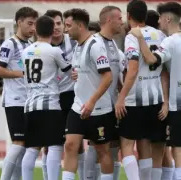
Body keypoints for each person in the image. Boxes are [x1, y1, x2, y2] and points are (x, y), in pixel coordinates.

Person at [130, 2, 181, 180]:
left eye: (161, 18)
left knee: (178, 149)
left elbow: (150, 60)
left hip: (180, 103)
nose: (159, 22)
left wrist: (139, 37)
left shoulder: (169, 42)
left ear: (168, 18)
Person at [114, 1, 168, 180]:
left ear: (128, 15)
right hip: (156, 99)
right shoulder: (160, 34)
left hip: (135, 100)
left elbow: (133, 69)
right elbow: (164, 70)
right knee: (146, 146)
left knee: (127, 146)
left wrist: (121, 97)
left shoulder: (132, 36)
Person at [63, 8, 114, 180]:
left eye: (68, 25)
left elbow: (108, 77)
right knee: (70, 145)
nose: (65, 29)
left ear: (80, 25)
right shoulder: (77, 47)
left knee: (103, 151)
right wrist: (78, 75)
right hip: (78, 107)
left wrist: (92, 102)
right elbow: (85, 72)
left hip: (98, 109)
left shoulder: (96, 45)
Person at [20, 15, 72, 180]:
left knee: (31, 149)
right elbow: (70, 72)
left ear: (35, 30)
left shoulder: (25, 51)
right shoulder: (54, 51)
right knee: (55, 146)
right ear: (52, 30)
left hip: (30, 105)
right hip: (50, 105)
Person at [0, 7, 38, 180]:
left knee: (25, 147)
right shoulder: (9, 44)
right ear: (19, 22)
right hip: (14, 100)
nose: (33, 28)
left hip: (28, 101)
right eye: (29, 23)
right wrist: (19, 74)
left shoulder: (29, 45)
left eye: (34, 24)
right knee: (18, 144)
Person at [40, 9, 84, 180]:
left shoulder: (74, 42)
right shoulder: (42, 46)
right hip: (51, 97)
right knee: (49, 144)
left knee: (76, 143)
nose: (56, 27)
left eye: (59, 23)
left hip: (72, 96)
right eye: (52, 24)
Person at [83, 6, 125, 180]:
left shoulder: (113, 44)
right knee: (97, 147)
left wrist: (122, 96)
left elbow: (118, 76)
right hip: (98, 106)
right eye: (120, 18)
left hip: (113, 105)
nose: (122, 22)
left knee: (113, 148)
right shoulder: (94, 43)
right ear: (109, 20)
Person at [145, 9, 175, 180]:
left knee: (151, 149)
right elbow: (165, 72)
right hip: (162, 98)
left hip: (147, 98)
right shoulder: (164, 39)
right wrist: (166, 101)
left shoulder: (136, 38)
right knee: (162, 149)